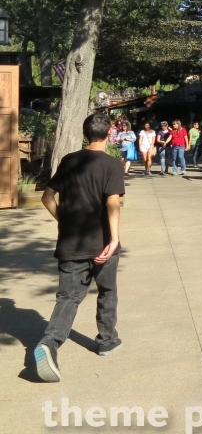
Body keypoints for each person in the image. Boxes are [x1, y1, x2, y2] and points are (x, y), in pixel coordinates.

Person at [34, 113, 124, 382]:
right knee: (107, 290)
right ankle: (107, 340)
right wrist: (115, 238)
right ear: (109, 133)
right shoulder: (112, 164)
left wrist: (63, 219)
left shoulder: (69, 160)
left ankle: (49, 343)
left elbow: (47, 197)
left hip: (71, 242)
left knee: (69, 297)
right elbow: (112, 203)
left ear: (86, 133)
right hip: (102, 241)